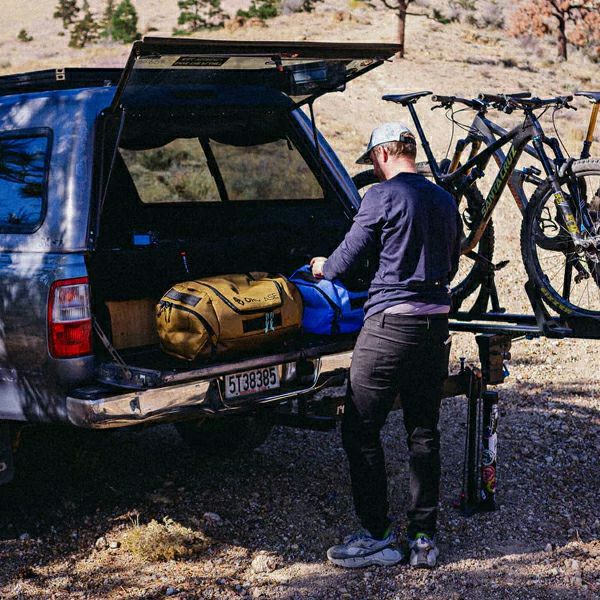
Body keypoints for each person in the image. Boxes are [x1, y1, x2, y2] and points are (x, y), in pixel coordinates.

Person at [310, 122, 461, 569]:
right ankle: (423, 539)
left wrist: (321, 267)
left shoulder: (380, 196)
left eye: (373, 162)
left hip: (389, 326)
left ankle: (377, 536)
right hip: (435, 326)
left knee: (360, 429)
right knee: (423, 430)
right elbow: (452, 261)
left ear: (382, 155)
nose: (374, 170)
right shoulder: (445, 198)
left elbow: (344, 261)